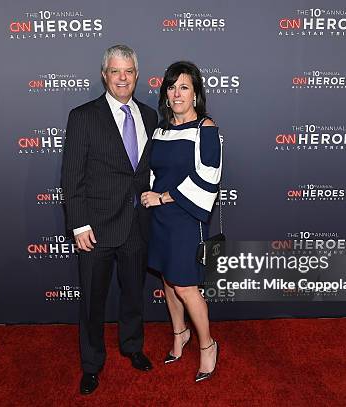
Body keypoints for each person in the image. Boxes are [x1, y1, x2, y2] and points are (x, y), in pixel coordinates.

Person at [61, 44, 158, 395]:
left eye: (128, 71)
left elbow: (148, 170)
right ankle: (91, 364)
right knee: (92, 300)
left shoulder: (149, 116)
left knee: (134, 294)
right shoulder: (83, 116)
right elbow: (71, 176)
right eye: (115, 71)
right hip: (96, 228)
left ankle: (133, 346)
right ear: (104, 75)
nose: (122, 78)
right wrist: (78, 223)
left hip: (136, 225)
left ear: (136, 75)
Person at [140, 61, 222, 382]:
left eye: (184, 87)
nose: (177, 93)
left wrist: (162, 197)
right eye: (171, 87)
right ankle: (179, 334)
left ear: (196, 94)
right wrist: (148, 197)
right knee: (167, 280)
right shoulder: (161, 129)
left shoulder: (206, 127)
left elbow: (208, 176)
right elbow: (152, 172)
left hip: (187, 216)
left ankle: (207, 345)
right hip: (159, 219)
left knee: (186, 286)